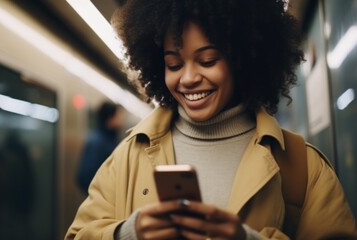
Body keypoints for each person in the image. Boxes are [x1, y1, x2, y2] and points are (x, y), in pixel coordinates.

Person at [65, 0, 357, 239]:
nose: (189, 78)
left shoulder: (301, 166)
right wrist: (126, 234)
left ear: (243, 58)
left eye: (207, 61)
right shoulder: (128, 156)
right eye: (174, 64)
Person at [76, 101, 124, 194]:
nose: (122, 119)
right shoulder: (97, 142)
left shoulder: (112, 140)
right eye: (119, 116)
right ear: (110, 118)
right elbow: (84, 177)